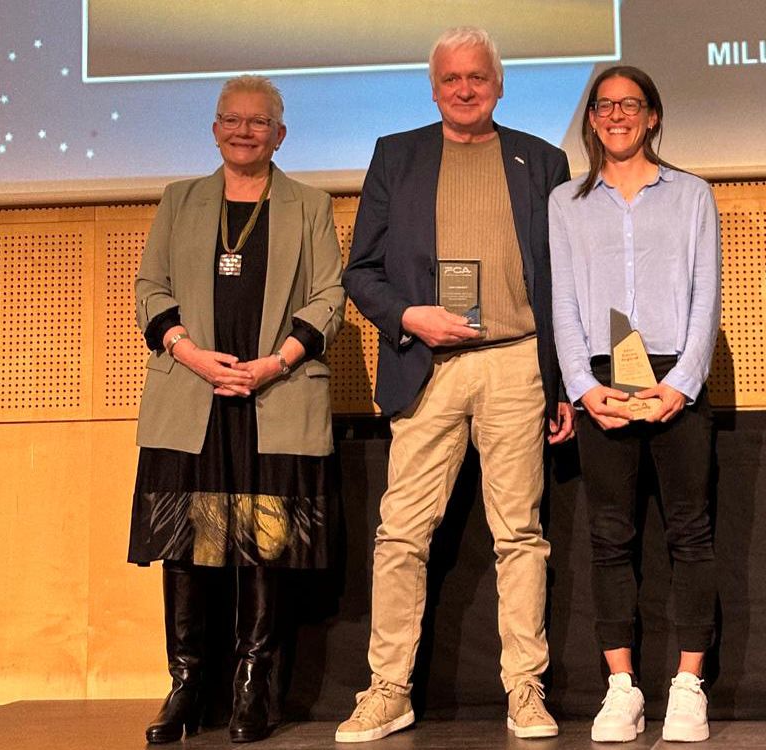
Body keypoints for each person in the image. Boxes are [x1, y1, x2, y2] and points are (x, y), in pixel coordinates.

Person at [337, 26, 574, 743]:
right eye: (451, 80)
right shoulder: (396, 156)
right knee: (402, 535)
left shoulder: (544, 160)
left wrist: (561, 381)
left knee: (520, 536)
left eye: (477, 77)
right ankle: (387, 690)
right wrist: (411, 316)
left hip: (518, 361)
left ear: (499, 85)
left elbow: (566, 280)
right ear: (433, 88)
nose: (465, 89)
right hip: (426, 366)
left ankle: (526, 691)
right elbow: (360, 273)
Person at [129, 74, 345, 744]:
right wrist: (191, 353)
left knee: (263, 542)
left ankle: (254, 684)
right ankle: (187, 684)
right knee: (186, 546)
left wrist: (272, 363)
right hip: (192, 395)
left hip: (271, 396)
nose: (244, 131)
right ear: (214, 128)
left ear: (280, 134)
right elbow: (149, 287)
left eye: (259, 122)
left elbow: (329, 297)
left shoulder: (308, 205)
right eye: (232, 120)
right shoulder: (180, 200)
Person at [549, 66, 720, 743]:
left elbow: (707, 297)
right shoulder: (566, 201)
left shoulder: (692, 195)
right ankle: (621, 688)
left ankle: (687, 686)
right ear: (591, 118)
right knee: (609, 537)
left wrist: (681, 384)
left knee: (690, 532)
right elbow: (563, 302)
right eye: (604, 105)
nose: (617, 114)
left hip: (675, 372)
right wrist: (584, 391)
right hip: (601, 379)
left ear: (653, 116)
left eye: (632, 104)